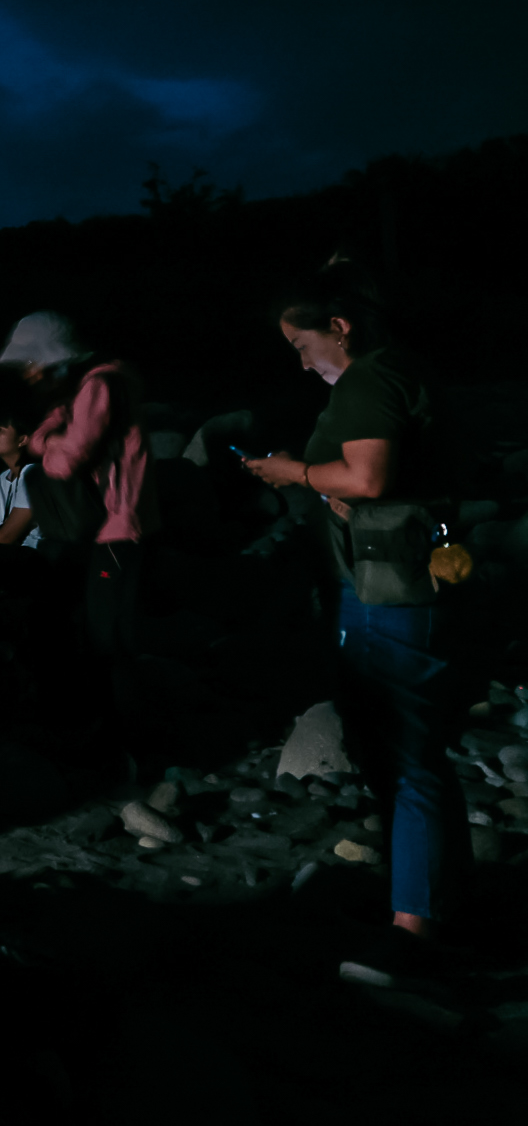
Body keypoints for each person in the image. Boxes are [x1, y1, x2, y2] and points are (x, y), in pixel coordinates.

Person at [242, 264, 456, 943]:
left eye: (302, 347)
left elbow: (368, 473)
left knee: (404, 754)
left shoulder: (367, 378)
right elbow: (385, 479)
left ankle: (413, 926)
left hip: (387, 591)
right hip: (406, 576)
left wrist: (296, 473)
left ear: (339, 326)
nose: (303, 365)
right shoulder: (401, 370)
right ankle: (434, 898)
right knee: (416, 751)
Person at [0, 312, 151, 657]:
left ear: (55, 356)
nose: (29, 372)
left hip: (120, 526)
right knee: (102, 625)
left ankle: (128, 703)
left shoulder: (101, 385)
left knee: (110, 634)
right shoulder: (82, 391)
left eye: (33, 361)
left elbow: (64, 461)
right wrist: (53, 439)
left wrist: (52, 443)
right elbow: (39, 440)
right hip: (107, 527)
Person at [0, 415, 42, 548]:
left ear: (23, 440)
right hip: (13, 554)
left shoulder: (34, 474)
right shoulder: (3, 478)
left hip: (36, 556)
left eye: (1, 430)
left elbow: (7, 535)